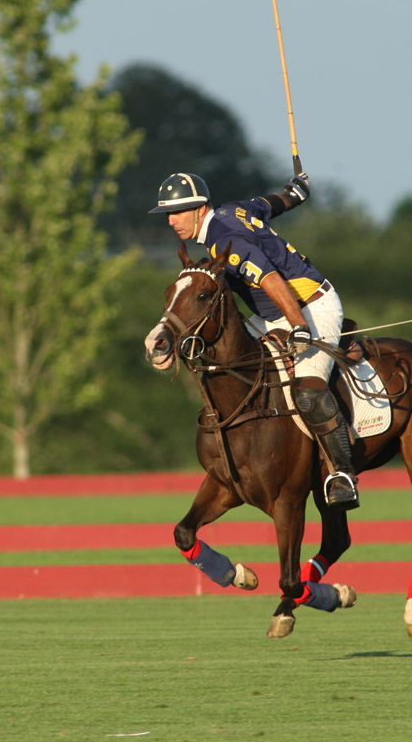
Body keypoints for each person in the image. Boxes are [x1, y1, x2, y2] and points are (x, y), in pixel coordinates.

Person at [149, 172, 359, 510]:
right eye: (168, 214)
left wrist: (298, 325)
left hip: (309, 307)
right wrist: (294, 195)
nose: (171, 221)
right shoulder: (232, 211)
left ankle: (342, 473)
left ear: (200, 209)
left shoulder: (225, 238)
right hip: (272, 314)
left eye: (177, 212)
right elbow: (266, 205)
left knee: (308, 390)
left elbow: (271, 279)